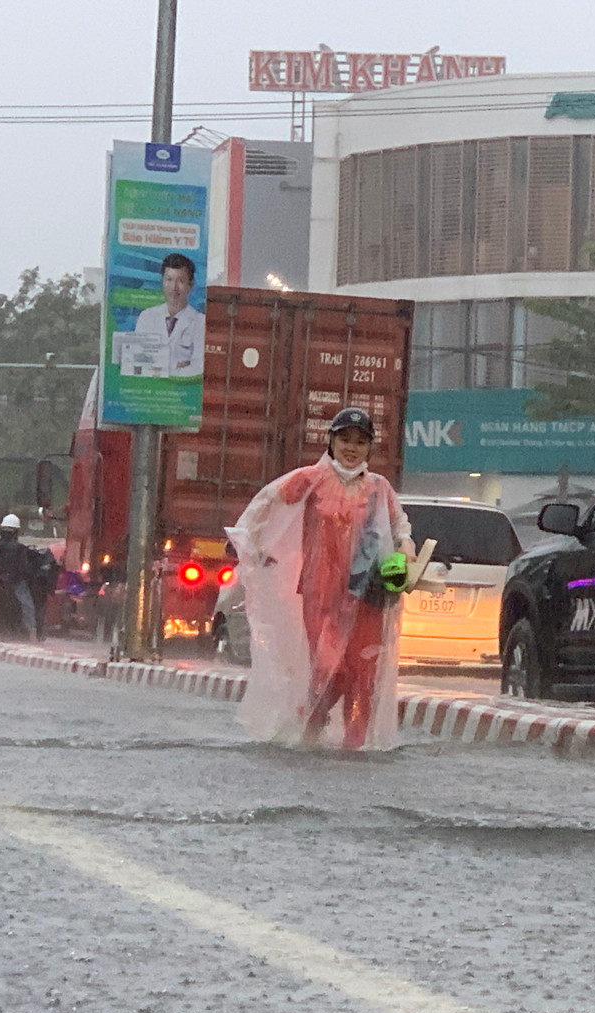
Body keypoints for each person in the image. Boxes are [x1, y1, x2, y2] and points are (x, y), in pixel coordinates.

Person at [227, 408, 415, 750]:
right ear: (331, 440)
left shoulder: (378, 488)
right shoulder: (309, 479)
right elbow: (265, 505)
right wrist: (252, 546)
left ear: (370, 448)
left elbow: (400, 526)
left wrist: (405, 552)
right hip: (321, 594)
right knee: (330, 668)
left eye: (361, 442)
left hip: (368, 595)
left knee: (364, 671)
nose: (352, 448)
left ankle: (354, 746)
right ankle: (311, 727)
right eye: (345, 439)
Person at [133, 252, 206, 376]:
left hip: (183, 392)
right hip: (149, 392)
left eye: (181, 281)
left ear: (191, 284)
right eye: (169, 280)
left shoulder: (200, 322)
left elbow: (199, 368)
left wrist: (158, 368)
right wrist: (176, 367)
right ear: (162, 281)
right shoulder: (146, 317)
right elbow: (137, 363)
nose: (174, 287)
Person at [0, 514, 38, 641]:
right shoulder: (20, 549)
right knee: (27, 604)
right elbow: (25, 570)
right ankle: (31, 631)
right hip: (12, 584)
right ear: (16, 532)